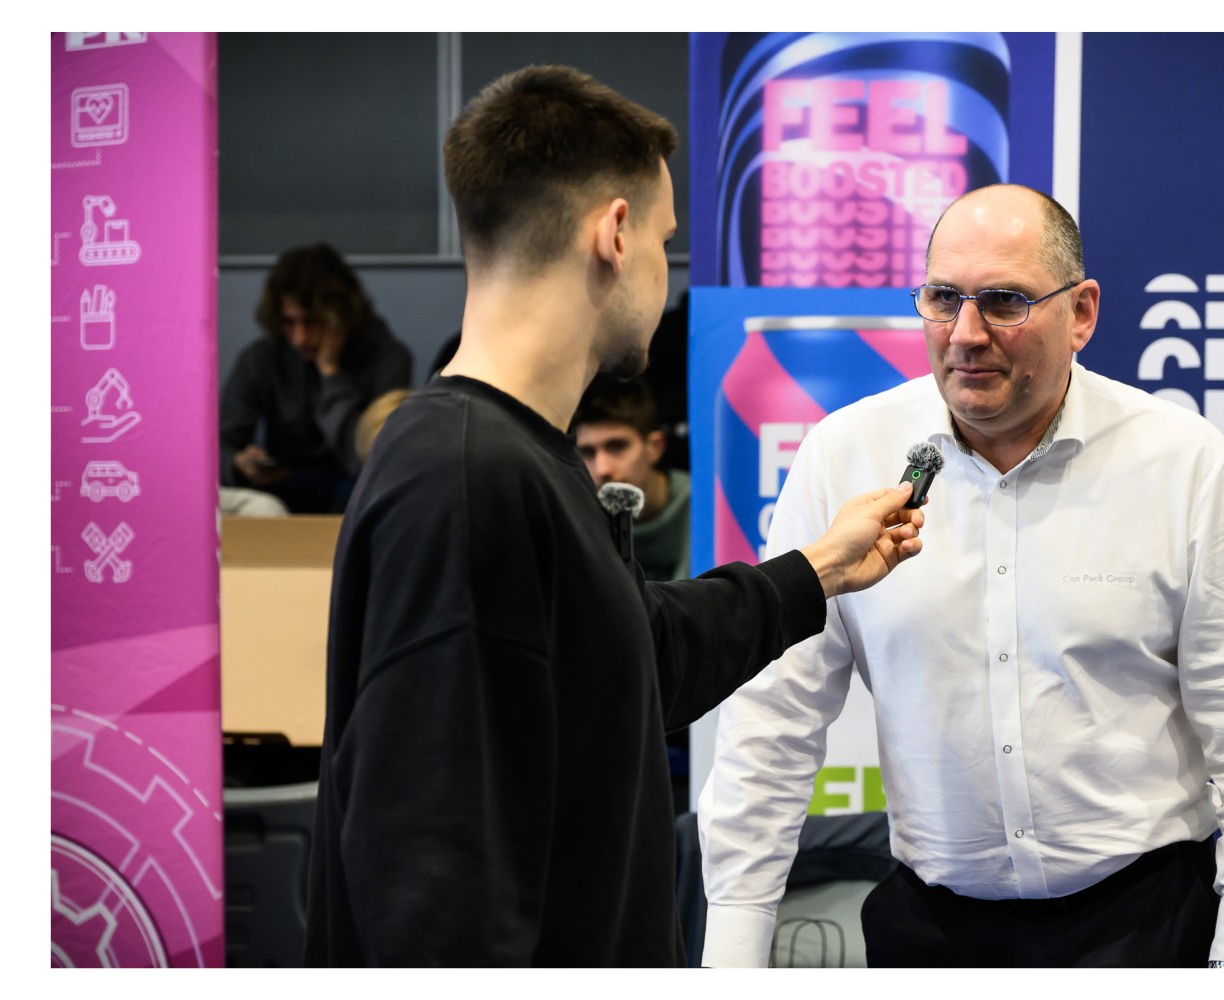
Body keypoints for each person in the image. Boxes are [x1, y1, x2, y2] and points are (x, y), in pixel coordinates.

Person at [303, 64, 926, 968]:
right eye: (666, 242)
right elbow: (432, 880)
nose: (664, 274)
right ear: (616, 232)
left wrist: (820, 570)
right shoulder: (466, 481)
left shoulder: (515, 458)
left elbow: (629, 660)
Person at [698, 184, 1224, 969]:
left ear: (1081, 313)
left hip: (1147, 925)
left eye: (1004, 302)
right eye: (943, 299)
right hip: (929, 931)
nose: (966, 334)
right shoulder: (843, 458)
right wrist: (732, 950)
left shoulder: (1183, 464)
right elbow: (772, 722)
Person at [220, 243, 413, 513]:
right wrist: (238, 462)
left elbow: (370, 459)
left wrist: (330, 371)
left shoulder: (387, 357)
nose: (299, 338)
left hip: (354, 487)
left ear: (341, 318)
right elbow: (219, 443)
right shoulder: (262, 357)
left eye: (311, 322)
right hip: (283, 486)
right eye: (289, 323)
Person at [571, 376, 690, 582]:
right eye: (588, 452)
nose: (603, 469)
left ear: (655, 447)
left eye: (617, 446)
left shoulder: (703, 506)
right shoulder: (574, 516)